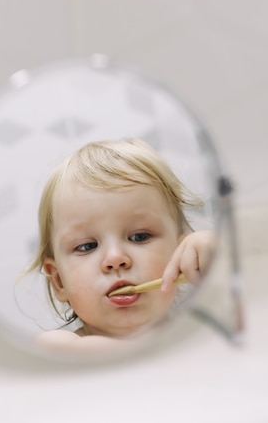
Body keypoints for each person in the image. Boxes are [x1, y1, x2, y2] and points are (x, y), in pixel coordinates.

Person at [27, 137, 216, 353]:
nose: (116, 259)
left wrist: (220, 261)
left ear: (179, 255)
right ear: (59, 281)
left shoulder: (202, 336)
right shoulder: (62, 348)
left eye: (139, 237)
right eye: (87, 246)